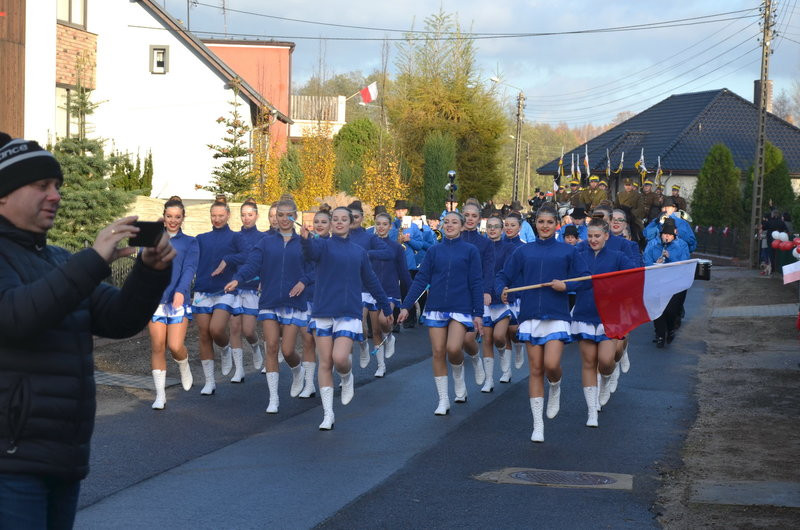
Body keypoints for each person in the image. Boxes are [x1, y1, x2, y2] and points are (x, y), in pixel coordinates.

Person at [0, 135, 175, 527]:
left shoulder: (59, 261)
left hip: (63, 457)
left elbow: (120, 319)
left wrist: (151, 271)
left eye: (57, 186)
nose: (55, 196)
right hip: (9, 463)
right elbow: (15, 317)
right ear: (3, 195)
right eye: (41, 185)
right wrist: (94, 260)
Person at [496, 207, 590, 443]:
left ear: (556, 224)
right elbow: (503, 276)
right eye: (541, 221)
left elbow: (585, 278)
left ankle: (555, 385)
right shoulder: (523, 251)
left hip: (557, 315)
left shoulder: (568, 251)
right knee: (536, 369)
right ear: (535, 223)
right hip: (530, 316)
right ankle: (538, 425)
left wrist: (566, 286)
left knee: (551, 365)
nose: (545, 226)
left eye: (549, 222)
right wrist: (501, 289)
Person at [300, 207, 392, 430]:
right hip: (323, 311)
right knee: (325, 362)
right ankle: (328, 414)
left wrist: (385, 306)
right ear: (331, 223)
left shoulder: (359, 252)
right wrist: (305, 240)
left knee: (340, 358)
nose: (339, 222)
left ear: (351, 223)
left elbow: (370, 280)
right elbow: (311, 253)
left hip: (348, 312)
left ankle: (347, 376)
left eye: (344, 219)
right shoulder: (322, 245)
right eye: (335, 219)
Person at [225, 197, 311, 413]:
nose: (284, 219)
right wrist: (238, 279)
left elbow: (315, 268)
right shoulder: (265, 242)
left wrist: (303, 281)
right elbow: (252, 264)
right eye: (280, 215)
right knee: (271, 347)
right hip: (270, 301)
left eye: (288, 215)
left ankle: (298, 370)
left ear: (295, 216)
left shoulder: (304, 242)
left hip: (293, 302)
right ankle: (273, 398)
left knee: (288, 350)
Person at [398, 211, 483, 415]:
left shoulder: (470, 251)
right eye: (447, 222)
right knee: (438, 352)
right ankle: (443, 399)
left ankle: (459, 375)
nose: (450, 225)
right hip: (436, 307)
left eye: (454, 222)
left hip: (460, 306)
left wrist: (478, 313)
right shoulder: (434, 251)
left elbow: (476, 282)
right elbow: (421, 279)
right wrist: (406, 305)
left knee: (453, 349)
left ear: (462, 226)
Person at [572, 219, 632, 427]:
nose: (593, 240)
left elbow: (633, 277)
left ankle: (606, 379)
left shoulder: (618, 257)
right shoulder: (579, 255)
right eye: (590, 236)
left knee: (606, 361)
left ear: (606, 236)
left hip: (609, 317)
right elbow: (569, 279)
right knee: (589, 362)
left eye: (597, 236)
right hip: (584, 314)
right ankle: (592, 411)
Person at [148, 196, 199, 409]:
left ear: (183, 218)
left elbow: (189, 269)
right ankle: (160, 395)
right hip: (156, 300)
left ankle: (184, 364)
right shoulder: (153, 239)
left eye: (177, 217)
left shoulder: (190, 242)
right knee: (157, 346)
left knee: (175, 346)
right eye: (169, 216)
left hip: (178, 300)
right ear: (164, 217)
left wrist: (180, 291)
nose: (173, 220)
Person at [212, 199, 265, 382]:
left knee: (248, 330)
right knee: (234, 328)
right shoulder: (235, 237)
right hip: (235, 287)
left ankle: (256, 347)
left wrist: (263, 279)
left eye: (250, 215)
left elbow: (263, 261)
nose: (246, 218)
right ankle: (239, 370)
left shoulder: (263, 238)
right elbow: (232, 257)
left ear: (256, 216)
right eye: (243, 215)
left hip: (252, 288)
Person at [192, 197, 239, 395]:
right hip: (203, 290)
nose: (217, 219)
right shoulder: (201, 238)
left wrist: (229, 259)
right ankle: (209, 381)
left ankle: (225, 347)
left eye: (221, 215)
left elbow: (247, 256)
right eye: (214, 215)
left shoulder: (236, 238)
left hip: (225, 291)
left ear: (228, 215)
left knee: (216, 329)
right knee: (204, 334)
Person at [480, 213, 525, 392]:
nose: (492, 229)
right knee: (487, 339)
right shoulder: (480, 247)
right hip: (484, 298)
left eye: (496, 226)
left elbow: (507, 273)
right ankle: (489, 379)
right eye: (489, 226)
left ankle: (513, 350)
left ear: (501, 229)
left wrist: (503, 291)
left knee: (501, 336)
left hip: (502, 297)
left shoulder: (509, 247)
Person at [346, 200, 393, 367]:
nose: (353, 220)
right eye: (350, 217)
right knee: (359, 327)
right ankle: (363, 345)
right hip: (351, 288)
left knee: (376, 330)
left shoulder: (369, 237)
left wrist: (367, 254)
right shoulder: (341, 236)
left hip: (368, 287)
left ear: (362, 217)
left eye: (356, 216)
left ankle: (381, 365)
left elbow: (388, 252)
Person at [371, 212, 413, 376]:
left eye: (384, 224)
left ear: (390, 226)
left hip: (390, 291)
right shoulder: (369, 246)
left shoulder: (396, 248)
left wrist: (411, 293)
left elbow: (403, 272)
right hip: (372, 291)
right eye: (378, 224)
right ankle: (381, 365)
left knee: (383, 320)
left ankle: (389, 337)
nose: (381, 227)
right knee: (375, 330)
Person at [460, 202, 495, 389]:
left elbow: (488, 270)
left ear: (480, 219)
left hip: (476, 294)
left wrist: (486, 291)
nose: (470, 219)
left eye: (474, 216)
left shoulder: (485, 243)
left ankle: (479, 364)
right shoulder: (453, 238)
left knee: (469, 338)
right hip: (457, 295)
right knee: (454, 345)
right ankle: (460, 389)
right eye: (466, 215)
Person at [643, 219, 690, 347]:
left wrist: (670, 257)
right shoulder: (653, 244)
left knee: (670, 310)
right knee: (657, 309)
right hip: (657, 282)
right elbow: (646, 260)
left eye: (669, 235)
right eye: (665, 234)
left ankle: (670, 330)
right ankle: (659, 335)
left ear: (674, 235)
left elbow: (684, 263)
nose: (667, 237)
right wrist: (655, 264)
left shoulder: (681, 245)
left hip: (674, 283)